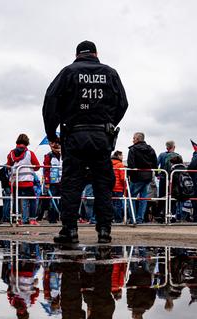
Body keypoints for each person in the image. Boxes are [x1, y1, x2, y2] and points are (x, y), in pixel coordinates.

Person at [43, 40, 128, 243]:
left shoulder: (68, 72)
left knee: (72, 184)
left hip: (74, 135)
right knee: (103, 184)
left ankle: (70, 230)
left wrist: (52, 133)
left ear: (77, 55)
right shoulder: (110, 73)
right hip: (101, 137)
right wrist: (108, 123)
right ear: (96, 53)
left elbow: (50, 101)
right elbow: (123, 103)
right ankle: (105, 230)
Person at [6, 134, 40, 225]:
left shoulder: (11, 153)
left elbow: (8, 166)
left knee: (16, 200)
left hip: (15, 182)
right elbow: (37, 166)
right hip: (27, 182)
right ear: (27, 142)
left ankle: (18, 219)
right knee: (32, 200)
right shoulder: (30, 153)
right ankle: (32, 219)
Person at [127, 132, 158, 224]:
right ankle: (140, 219)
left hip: (136, 177)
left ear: (137, 139)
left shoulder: (132, 149)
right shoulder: (151, 149)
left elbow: (131, 164)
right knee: (143, 199)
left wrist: (129, 175)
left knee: (131, 197)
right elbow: (155, 163)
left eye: (133, 138)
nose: (132, 140)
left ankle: (133, 218)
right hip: (148, 177)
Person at [41, 140, 62, 223]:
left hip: (62, 181)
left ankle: (60, 216)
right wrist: (47, 182)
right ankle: (52, 218)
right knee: (52, 201)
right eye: (54, 144)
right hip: (52, 182)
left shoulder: (64, 155)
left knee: (63, 200)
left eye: (58, 144)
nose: (57, 146)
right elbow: (46, 170)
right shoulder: (48, 155)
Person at [111, 151, 126, 223]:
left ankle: (111, 218)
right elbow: (122, 178)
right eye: (121, 155)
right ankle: (118, 219)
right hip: (118, 187)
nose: (122, 157)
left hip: (110, 187)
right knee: (118, 204)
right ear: (118, 156)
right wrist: (125, 186)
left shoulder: (109, 164)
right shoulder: (120, 165)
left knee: (111, 203)